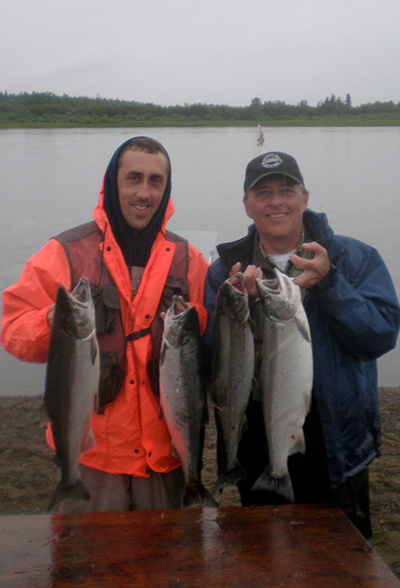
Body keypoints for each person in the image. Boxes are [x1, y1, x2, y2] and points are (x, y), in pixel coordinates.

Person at [1, 136, 209, 512]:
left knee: (168, 566)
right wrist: (52, 323)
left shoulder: (189, 259)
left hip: (163, 457)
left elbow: (209, 334)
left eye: (155, 181)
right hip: (93, 459)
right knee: (86, 567)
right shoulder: (65, 252)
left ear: (167, 188)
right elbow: (11, 328)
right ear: (112, 182)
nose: (144, 192)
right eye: (133, 178)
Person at [203, 151, 400, 541]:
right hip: (257, 443)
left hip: (336, 444)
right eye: (263, 193)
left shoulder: (354, 258)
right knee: (263, 559)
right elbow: (212, 360)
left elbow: (380, 336)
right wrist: (235, 310)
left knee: (343, 564)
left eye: (286, 190)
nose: (276, 201)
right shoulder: (226, 270)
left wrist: (330, 285)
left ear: (305, 197)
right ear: (247, 204)